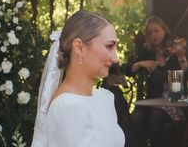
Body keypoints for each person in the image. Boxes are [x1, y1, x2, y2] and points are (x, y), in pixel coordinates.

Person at [31, 10, 124, 147]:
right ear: (79, 48)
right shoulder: (68, 107)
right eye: (109, 46)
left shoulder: (103, 98)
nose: (115, 58)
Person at [124, 16, 188, 147]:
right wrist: (140, 64)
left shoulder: (173, 51)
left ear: (164, 30)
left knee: (156, 116)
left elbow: (187, 72)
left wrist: (181, 56)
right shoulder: (147, 54)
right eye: (150, 33)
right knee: (136, 117)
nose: (153, 35)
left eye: (157, 31)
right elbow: (128, 70)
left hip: (172, 100)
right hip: (152, 100)